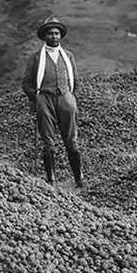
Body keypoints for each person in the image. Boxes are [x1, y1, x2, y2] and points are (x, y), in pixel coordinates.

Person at [21, 17, 83, 188]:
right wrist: (36, 97)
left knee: (71, 139)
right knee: (48, 140)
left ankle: (79, 179)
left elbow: (75, 81)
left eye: (56, 33)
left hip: (65, 98)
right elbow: (26, 83)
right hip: (45, 99)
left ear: (60, 36)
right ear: (44, 36)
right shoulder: (36, 58)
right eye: (50, 33)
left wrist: (71, 98)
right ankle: (51, 180)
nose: (54, 36)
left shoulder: (68, 56)